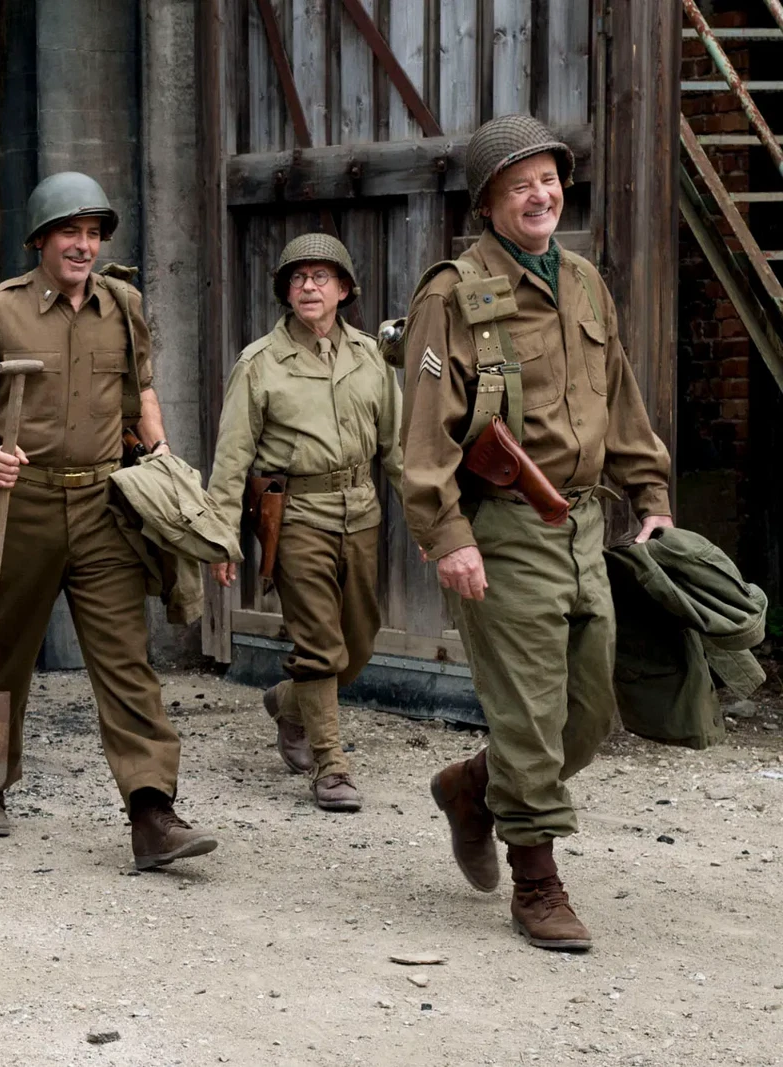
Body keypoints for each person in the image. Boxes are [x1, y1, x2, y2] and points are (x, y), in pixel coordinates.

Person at [401, 114, 673, 951]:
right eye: (520, 184)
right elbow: (422, 434)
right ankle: (538, 881)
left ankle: (474, 787)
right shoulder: (453, 294)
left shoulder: (585, 281)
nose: (540, 195)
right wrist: (449, 536)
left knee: (586, 715)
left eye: (549, 179)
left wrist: (650, 488)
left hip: (585, 523)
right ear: (487, 202)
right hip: (507, 526)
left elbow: (616, 395)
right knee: (526, 711)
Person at [0, 171, 218, 870]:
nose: (83, 245)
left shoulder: (123, 304)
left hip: (102, 505)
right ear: (40, 240)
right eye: (70, 232)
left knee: (126, 660)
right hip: (19, 504)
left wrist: (157, 451)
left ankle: (152, 810)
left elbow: (141, 388)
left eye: (93, 234)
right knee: (2, 650)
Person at [205, 233, 402, 812]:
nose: (308, 286)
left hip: (361, 512)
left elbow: (397, 449)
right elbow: (232, 456)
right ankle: (332, 765)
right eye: (297, 278)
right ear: (285, 294)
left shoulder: (371, 356)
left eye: (321, 277)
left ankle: (289, 702)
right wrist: (219, 537)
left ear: (343, 290)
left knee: (358, 643)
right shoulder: (259, 364)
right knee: (320, 645)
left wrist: (435, 527)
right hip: (295, 518)